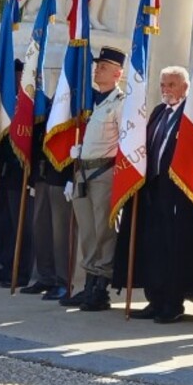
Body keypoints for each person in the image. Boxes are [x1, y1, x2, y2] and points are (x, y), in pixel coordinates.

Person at [116, 65, 193, 321]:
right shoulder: (158, 112)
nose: (166, 90)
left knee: (173, 249)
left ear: (185, 88)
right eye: (163, 85)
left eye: (171, 85)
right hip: (153, 189)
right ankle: (154, 299)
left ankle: (172, 302)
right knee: (152, 247)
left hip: (179, 192)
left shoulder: (192, 116)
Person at [64, 45, 127, 311]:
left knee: (104, 231)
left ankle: (101, 289)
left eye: (103, 67)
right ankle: (88, 283)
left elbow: (126, 142)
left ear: (118, 73)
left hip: (104, 173)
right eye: (97, 66)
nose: (96, 70)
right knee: (88, 232)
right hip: (83, 172)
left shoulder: (120, 103)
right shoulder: (92, 101)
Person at [0, 61, 33, 289]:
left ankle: (20, 271)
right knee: (6, 223)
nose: (15, 82)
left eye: (18, 77)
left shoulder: (28, 106)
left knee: (20, 226)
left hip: (21, 175)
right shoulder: (6, 105)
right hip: (5, 173)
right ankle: (5, 266)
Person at [21, 131, 72, 299]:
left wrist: (72, 176)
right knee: (40, 228)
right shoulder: (46, 105)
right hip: (43, 173)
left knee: (60, 232)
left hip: (62, 173)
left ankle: (63, 281)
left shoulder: (71, 105)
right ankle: (46, 277)